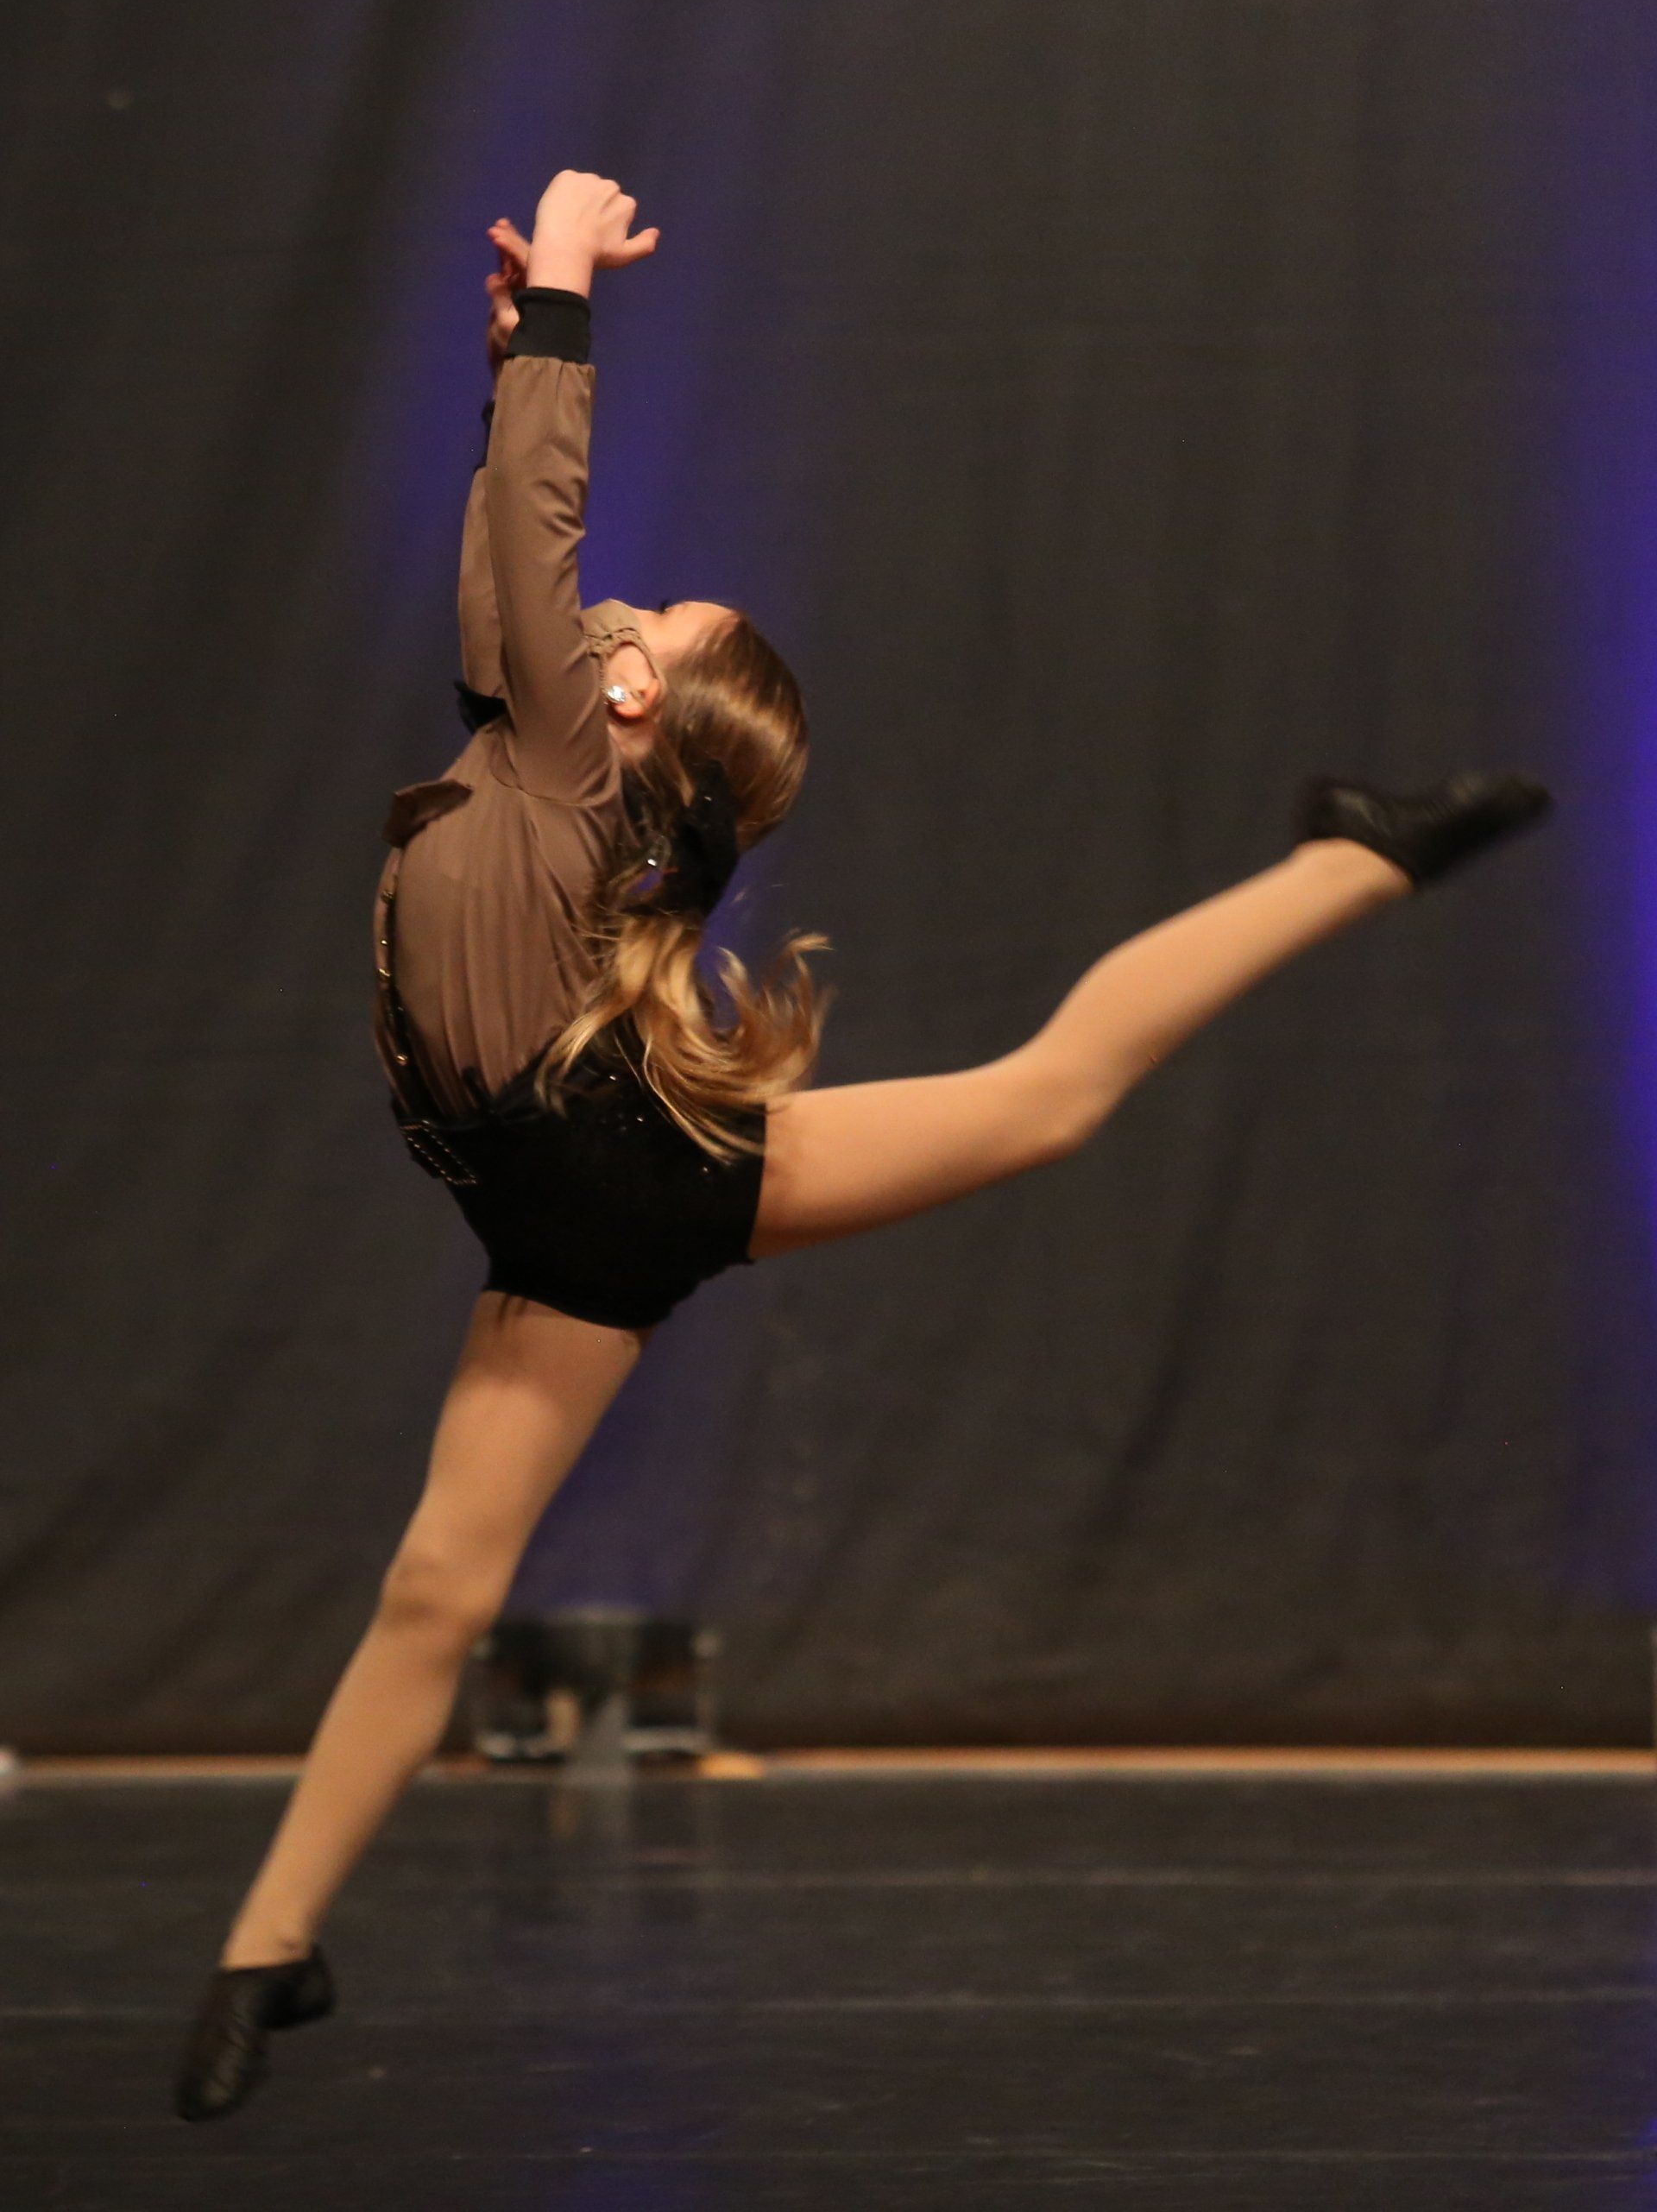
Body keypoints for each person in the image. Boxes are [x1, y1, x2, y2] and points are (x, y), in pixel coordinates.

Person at [173, 169, 1553, 2120]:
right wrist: (509, 359)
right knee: (437, 1592)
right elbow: (505, 560)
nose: (611, 603)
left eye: (647, 616)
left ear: (629, 692)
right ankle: (270, 1943)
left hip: (613, 1180)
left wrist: (563, 282)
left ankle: (1358, 858)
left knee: (1049, 1097)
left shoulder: (566, 755)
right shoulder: (537, 748)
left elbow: (537, 524)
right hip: (577, 1206)